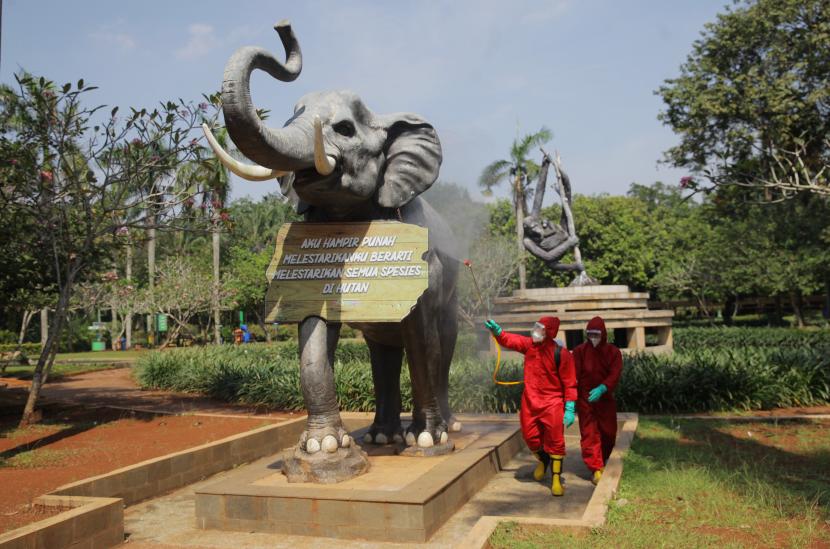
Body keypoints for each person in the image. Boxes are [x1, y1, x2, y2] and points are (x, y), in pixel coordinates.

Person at [485, 316, 577, 496]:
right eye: (536, 326)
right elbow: (511, 340)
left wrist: (570, 407)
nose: (535, 330)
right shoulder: (529, 346)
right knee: (530, 437)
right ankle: (543, 461)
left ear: (548, 332)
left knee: (556, 441)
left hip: (552, 403)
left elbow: (570, 382)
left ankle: (556, 480)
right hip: (530, 403)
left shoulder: (562, 354)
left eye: (540, 328)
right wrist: (498, 332)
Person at [572, 316, 623, 485]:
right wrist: (571, 401)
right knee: (589, 434)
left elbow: (615, 374)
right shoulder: (579, 351)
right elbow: (573, 375)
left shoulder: (613, 352)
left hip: (605, 400)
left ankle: (602, 458)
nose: (593, 338)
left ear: (603, 334)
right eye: (590, 334)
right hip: (585, 400)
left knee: (608, 433)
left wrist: (603, 387)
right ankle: (595, 467)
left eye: (596, 334)